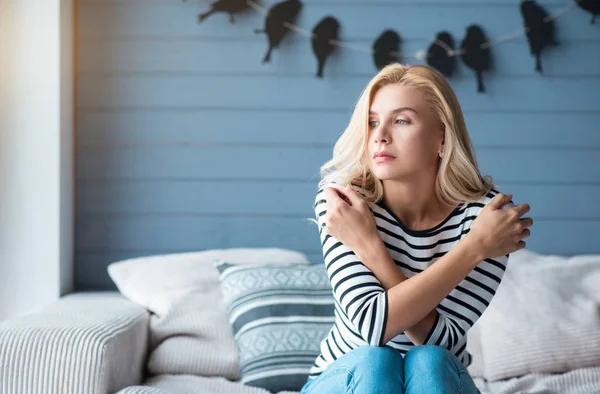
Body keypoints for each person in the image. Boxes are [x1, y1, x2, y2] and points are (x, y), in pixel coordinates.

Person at [301, 63, 533, 394]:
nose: (379, 135)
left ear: (441, 135)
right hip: (346, 380)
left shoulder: (486, 220)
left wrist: (372, 249)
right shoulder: (345, 203)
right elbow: (373, 327)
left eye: (401, 120)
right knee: (375, 361)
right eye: (372, 121)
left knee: (430, 361)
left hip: (437, 381)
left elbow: (441, 340)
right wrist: (472, 249)